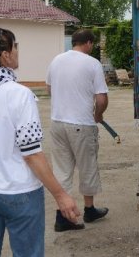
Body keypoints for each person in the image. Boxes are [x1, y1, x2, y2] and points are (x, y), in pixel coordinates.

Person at [0, 27, 79, 257]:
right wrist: (61, 195)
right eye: (16, 46)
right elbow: (31, 153)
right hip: (18, 192)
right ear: (5, 55)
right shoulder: (19, 94)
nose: (17, 52)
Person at [46, 29, 109, 232]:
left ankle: (62, 217)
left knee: (62, 169)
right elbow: (101, 98)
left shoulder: (56, 60)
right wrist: (98, 114)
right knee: (87, 167)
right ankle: (89, 210)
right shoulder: (92, 63)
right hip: (82, 124)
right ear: (89, 43)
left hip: (57, 122)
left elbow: (49, 89)